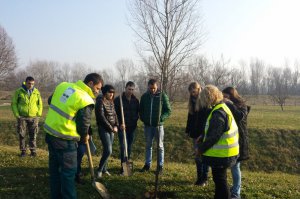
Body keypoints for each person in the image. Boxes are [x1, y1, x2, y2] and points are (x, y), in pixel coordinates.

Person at [44, 73, 103, 199]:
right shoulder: (85, 99)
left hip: (50, 134)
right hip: (65, 140)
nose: (98, 91)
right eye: (97, 88)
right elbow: (84, 124)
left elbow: (50, 100)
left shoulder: (64, 86)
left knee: (55, 172)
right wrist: (84, 136)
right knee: (68, 174)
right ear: (90, 84)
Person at [198, 85, 239, 199]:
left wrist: (201, 149)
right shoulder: (221, 108)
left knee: (220, 181)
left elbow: (214, 136)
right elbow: (215, 132)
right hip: (226, 153)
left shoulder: (218, 113)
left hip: (222, 154)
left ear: (209, 97)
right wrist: (202, 137)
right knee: (220, 180)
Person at [222, 87, 250, 199]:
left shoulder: (241, 105)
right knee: (230, 166)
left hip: (240, 140)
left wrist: (229, 104)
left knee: (235, 166)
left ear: (231, 95)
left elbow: (239, 117)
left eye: (226, 96)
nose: (224, 98)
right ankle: (232, 189)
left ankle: (236, 193)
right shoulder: (227, 105)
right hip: (229, 139)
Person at [139, 79, 171, 174]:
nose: (152, 90)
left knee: (160, 146)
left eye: (154, 88)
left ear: (157, 87)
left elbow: (168, 110)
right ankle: (147, 164)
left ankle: (160, 165)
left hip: (158, 126)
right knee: (148, 145)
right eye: (150, 88)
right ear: (148, 87)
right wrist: (144, 119)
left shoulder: (162, 96)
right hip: (148, 126)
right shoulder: (144, 97)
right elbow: (141, 110)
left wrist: (161, 118)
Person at [185, 82, 210, 186]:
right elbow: (190, 117)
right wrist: (187, 131)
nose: (193, 94)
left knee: (204, 156)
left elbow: (207, 119)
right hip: (195, 134)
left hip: (203, 133)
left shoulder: (205, 101)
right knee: (197, 156)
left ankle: (204, 178)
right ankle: (199, 177)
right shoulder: (192, 102)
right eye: (191, 92)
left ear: (199, 89)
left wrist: (204, 133)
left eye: (194, 92)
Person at [11, 76, 43, 157]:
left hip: (34, 117)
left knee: (33, 135)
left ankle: (33, 151)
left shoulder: (36, 92)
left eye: (32, 84)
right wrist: (17, 115)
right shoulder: (19, 91)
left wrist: (38, 114)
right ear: (26, 82)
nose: (31, 85)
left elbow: (40, 104)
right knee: (22, 134)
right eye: (29, 83)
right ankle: (23, 151)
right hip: (22, 117)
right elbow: (14, 103)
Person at [114, 81, 139, 174]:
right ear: (125, 88)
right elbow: (114, 114)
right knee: (123, 147)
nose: (130, 91)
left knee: (129, 147)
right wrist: (119, 124)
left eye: (132, 89)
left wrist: (135, 121)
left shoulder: (135, 100)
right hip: (122, 128)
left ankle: (127, 167)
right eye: (129, 89)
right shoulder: (118, 100)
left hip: (132, 128)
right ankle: (122, 167)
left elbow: (137, 113)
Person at [95, 84, 119, 178]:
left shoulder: (111, 101)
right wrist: (111, 128)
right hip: (104, 129)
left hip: (112, 129)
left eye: (113, 92)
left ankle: (105, 169)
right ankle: (100, 170)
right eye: (110, 92)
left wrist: (116, 125)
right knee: (108, 150)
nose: (111, 94)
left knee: (107, 150)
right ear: (105, 92)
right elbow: (101, 117)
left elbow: (115, 114)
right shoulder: (100, 101)